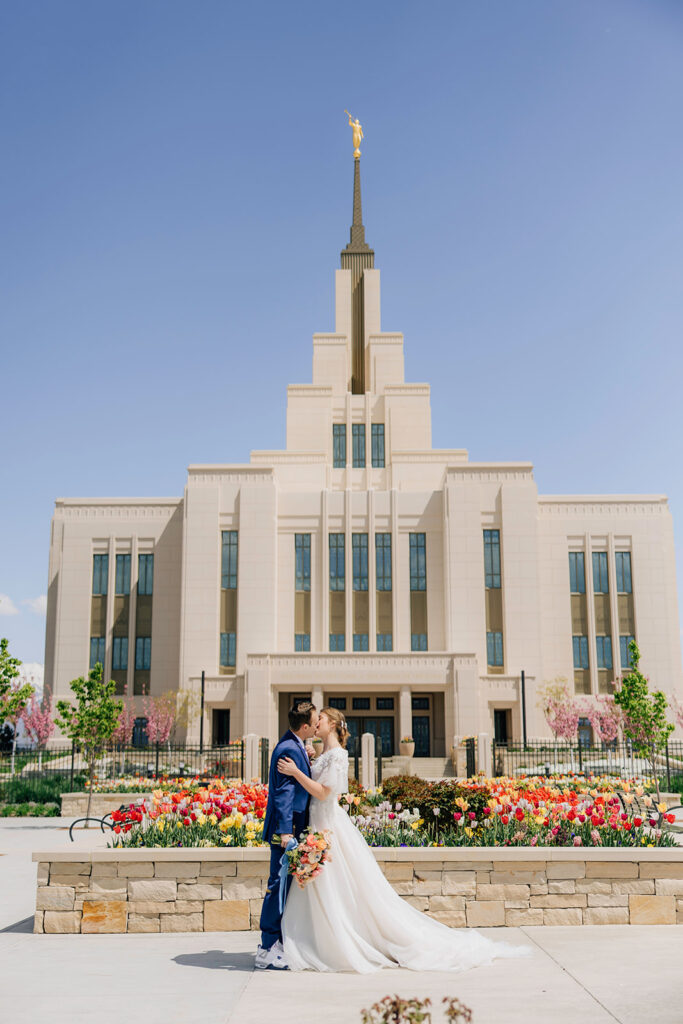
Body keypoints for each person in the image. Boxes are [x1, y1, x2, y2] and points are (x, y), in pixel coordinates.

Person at [277, 706, 528, 973]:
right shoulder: (323, 753)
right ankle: (320, 938)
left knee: (340, 884)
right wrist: (308, 760)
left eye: (322, 719)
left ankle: (345, 938)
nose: (316, 723)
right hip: (317, 824)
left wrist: (297, 773)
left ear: (334, 724)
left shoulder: (338, 755)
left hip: (328, 825)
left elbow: (325, 793)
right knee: (327, 884)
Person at [256, 700, 319, 971]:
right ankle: (267, 948)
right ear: (304, 726)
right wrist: (284, 832)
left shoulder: (295, 746)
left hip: (294, 826)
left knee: (285, 887)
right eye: (315, 722)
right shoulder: (287, 749)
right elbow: (283, 794)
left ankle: (278, 942)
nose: (317, 725)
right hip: (287, 829)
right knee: (277, 887)